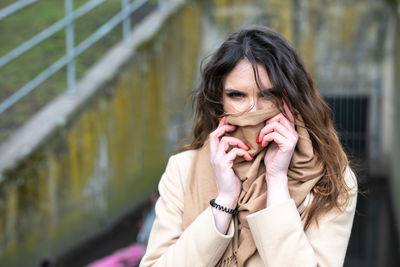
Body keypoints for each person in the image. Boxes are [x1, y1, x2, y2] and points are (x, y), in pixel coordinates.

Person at [139, 25, 358, 267]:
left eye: (268, 95)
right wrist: (224, 201)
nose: (253, 111)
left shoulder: (331, 180)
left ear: (291, 98)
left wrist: (276, 181)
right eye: (237, 95)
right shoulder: (182, 170)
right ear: (219, 101)